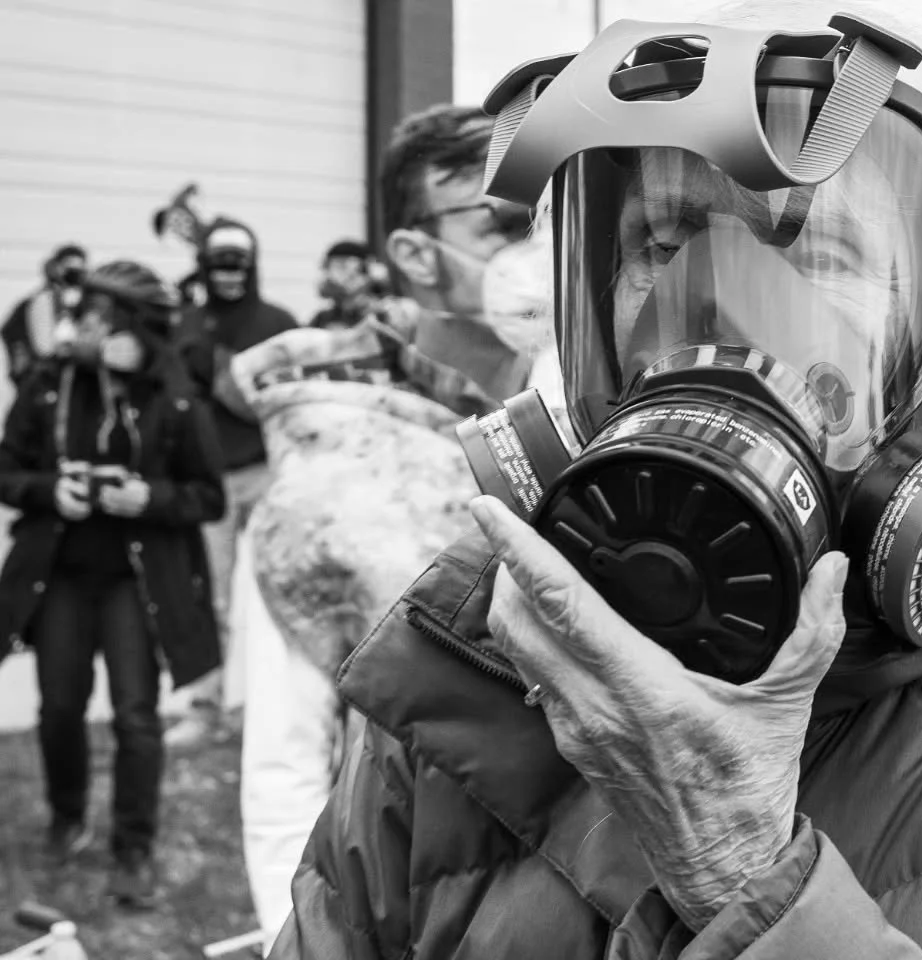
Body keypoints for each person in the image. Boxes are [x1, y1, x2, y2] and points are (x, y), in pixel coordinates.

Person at [271, 6, 922, 958]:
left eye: (815, 253)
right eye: (660, 243)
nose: (716, 302)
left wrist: (744, 872)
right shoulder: (474, 649)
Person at [232, 106, 554, 951]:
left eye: (551, 218)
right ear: (415, 253)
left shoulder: (586, 417)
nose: (539, 256)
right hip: (414, 902)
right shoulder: (325, 463)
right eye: (507, 226)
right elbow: (286, 769)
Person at [0, 261, 225, 906]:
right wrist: (51, 491)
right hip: (62, 576)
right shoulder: (48, 381)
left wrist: (148, 497)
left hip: (135, 581)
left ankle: (134, 848)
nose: (83, 323)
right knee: (60, 707)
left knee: (135, 716)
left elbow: (207, 496)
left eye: (99, 313)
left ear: (131, 325)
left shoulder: (173, 394)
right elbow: (7, 467)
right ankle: (67, 817)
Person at [170, 217, 297, 745]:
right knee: (213, 597)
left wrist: (225, 371)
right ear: (204, 267)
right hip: (210, 481)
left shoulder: (278, 320)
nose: (228, 277)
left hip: (269, 471)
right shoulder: (188, 323)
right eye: (218, 266)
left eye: (237, 266)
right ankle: (206, 707)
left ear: (252, 266)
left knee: (278, 591)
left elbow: (289, 394)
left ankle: (281, 709)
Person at [3, 245, 88, 384]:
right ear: (57, 267)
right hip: (42, 378)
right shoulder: (41, 300)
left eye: (78, 269)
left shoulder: (86, 302)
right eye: (69, 268)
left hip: (75, 378)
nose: (73, 274)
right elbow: (15, 334)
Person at [309, 240, 387, 330]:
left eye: (341, 266)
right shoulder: (322, 318)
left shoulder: (382, 315)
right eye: (329, 267)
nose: (331, 276)